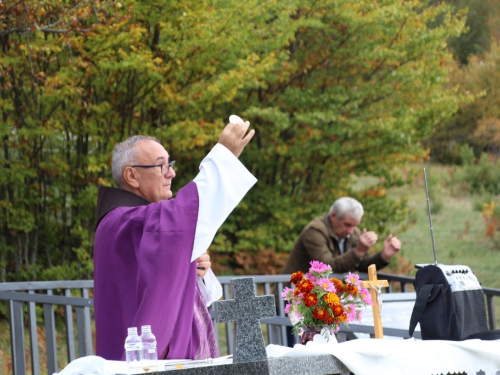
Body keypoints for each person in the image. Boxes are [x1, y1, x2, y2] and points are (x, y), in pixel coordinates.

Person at [93, 120, 256, 361]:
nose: (172, 173)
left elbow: (166, 284)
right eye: (161, 166)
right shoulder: (121, 222)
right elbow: (177, 220)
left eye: (170, 164)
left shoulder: (141, 220)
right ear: (132, 176)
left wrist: (195, 273)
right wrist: (223, 158)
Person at [281, 197, 401, 275]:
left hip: (323, 299)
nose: (351, 231)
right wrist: (358, 251)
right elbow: (327, 267)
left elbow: (363, 266)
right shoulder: (315, 231)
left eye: (354, 226)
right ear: (333, 216)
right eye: (347, 225)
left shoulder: (353, 232)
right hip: (293, 299)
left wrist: (384, 256)